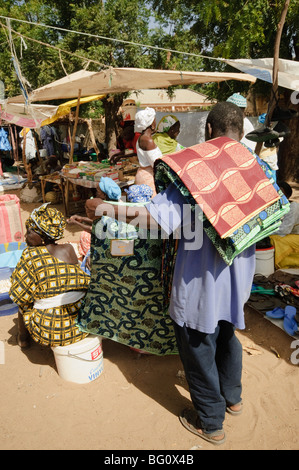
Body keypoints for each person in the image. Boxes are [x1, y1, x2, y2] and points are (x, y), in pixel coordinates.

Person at [94, 101, 256, 445]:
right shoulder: (255, 168)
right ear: (241, 132)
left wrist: (105, 208)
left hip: (200, 288)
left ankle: (210, 422)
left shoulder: (198, 170)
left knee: (198, 350)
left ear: (209, 130)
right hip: (237, 283)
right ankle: (234, 399)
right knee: (228, 337)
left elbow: (155, 221)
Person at [9, 203, 90, 349]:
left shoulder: (30, 254)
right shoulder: (69, 249)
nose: (26, 236)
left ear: (43, 236)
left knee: (23, 300)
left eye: (30, 232)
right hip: (82, 324)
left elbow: (19, 295)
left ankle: (22, 337)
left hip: (50, 331)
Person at [134, 107, 162, 196]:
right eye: (154, 120)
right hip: (148, 179)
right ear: (151, 123)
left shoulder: (141, 138)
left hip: (143, 176)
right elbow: (156, 164)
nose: (155, 122)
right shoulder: (148, 140)